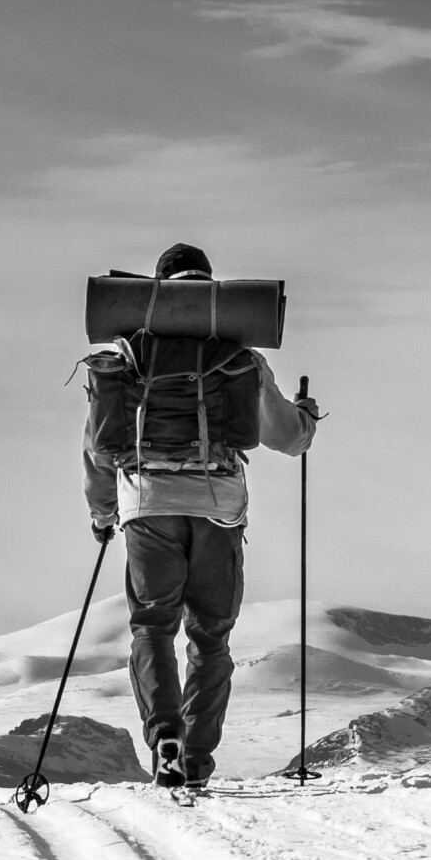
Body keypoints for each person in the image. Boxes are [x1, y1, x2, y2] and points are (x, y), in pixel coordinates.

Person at [82, 242, 319, 790]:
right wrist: (306, 420)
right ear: (211, 290)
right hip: (218, 506)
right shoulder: (238, 355)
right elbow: (285, 437)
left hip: (145, 505)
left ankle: (163, 735)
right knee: (210, 637)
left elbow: (98, 446)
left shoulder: (127, 355)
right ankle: (194, 760)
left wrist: (102, 513)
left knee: (151, 627)